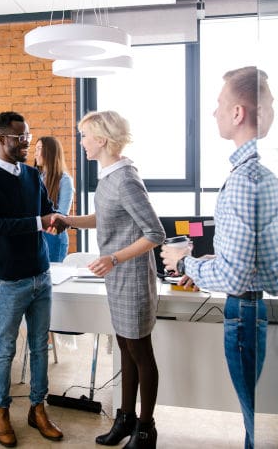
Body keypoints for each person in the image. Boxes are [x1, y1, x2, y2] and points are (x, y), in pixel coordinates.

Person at [161, 66, 278, 449]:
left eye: (218, 104)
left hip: (244, 313)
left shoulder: (247, 179)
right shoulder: (260, 172)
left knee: (254, 422)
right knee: (256, 417)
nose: (213, 113)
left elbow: (239, 277)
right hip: (251, 310)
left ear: (238, 113)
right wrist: (216, 258)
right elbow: (259, 259)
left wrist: (183, 261)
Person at [61, 111, 165, 448]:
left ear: (102, 140)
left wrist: (114, 257)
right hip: (117, 277)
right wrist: (68, 221)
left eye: (85, 136)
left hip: (132, 276)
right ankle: (126, 418)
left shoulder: (125, 179)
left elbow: (155, 233)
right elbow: (104, 218)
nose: (82, 142)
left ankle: (146, 429)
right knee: (124, 346)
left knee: (139, 351)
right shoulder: (109, 178)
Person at [0, 111, 65, 447]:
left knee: (40, 347)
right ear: (0, 140)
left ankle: (38, 408)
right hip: (11, 279)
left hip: (42, 274)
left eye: (28, 134)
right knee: (6, 351)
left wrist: (56, 218)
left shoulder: (32, 174)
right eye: (19, 137)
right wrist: (40, 222)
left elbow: (48, 207)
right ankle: (1, 411)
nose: (27, 141)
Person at [34, 136, 74, 262]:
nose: (35, 153)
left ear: (50, 152)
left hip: (54, 238)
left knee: (53, 276)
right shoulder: (36, 177)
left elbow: (61, 216)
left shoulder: (64, 180)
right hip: (36, 236)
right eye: (35, 149)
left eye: (39, 149)